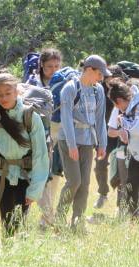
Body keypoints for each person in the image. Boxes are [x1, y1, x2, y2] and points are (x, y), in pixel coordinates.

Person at [0, 71, 49, 237]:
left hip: (25, 174)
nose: (3, 98)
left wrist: (35, 189)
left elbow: (41, 155)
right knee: (7, 221)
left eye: (8, 93)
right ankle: (8, 253)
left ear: (17, 91)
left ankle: (21, 255)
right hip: (1, 175)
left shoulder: (31, 117)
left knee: (20, 221)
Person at [56, 54, 109, 230]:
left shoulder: (98, 90)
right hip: (68, 140)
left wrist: (103, 144)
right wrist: (71, 145)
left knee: (85, 184)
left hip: (88, 141)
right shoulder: (70, 89)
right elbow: (65, 117)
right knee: (74, 181)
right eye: (99, 74)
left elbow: (100, 119)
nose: (101, 78)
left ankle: (77, 223)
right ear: (89, 70)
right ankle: (59, 219)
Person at [27, 48, 63, 228]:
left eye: (57, 65)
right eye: (49, 66)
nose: (54, 70)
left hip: (59, 132)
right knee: (42, 174)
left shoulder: (64, 82)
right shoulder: (32, 83)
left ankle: (46, 218)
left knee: (55, 175)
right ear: (41, 65)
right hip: (39, 132)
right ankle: (49, 217)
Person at [93, 65, 128, 209]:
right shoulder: (100, 89)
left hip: (121, 135)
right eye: (107, 80)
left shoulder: (126, 92)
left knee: (121, 169)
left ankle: (121, 204)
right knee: (99, 165)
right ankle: (103, 194)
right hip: (105, 134)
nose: (109, 83)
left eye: (111, 80)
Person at [108, 79, 139, 216]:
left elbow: (136, 128)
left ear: (119, 100)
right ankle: (133, 218)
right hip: (135, 153)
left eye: (115, 105)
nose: (117, 108)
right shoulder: (129, 109)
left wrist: (123, 124)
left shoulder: (136, 107)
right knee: (131, 185)